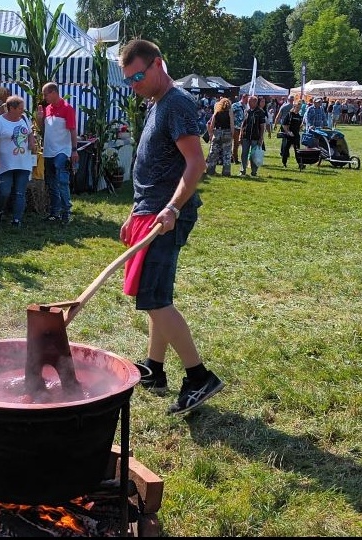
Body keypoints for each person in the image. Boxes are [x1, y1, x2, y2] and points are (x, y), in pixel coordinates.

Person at [117, 38, 223, 415]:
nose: (134, 84)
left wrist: (171, 209)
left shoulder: (176, 102)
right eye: (129, 79)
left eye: (139, 76)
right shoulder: (156, 103)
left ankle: (198, 377)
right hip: (151, 212)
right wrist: (136, 211)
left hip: (167, 215)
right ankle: (155, 368)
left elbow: (196, 163)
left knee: (155, 298)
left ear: (158, 64)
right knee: (155, 297)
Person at [0, 95, 37, 227]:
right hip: (5, 162)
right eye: (20, 108)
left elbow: (30, 133)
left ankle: (17, 220)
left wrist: (32, 142)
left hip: (23, 162)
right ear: (11, 108)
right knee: (4, 191)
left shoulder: (24, 118)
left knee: (20, 192)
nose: (23, 111)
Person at [38, 81, 78, 224]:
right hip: (49, 151)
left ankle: (66, 212)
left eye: (46, 94)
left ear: (54, 93)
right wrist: (39, 119)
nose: (44, 97)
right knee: (52, 183)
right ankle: (55, 212)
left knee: (61, 181)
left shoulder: (67, 108)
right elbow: (44, 131)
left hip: (62, 150)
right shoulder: (47, 109)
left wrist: (74, 150)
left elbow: (73, 130)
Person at [204, 97, 234, 177]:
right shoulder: (230, 112)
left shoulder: (217, 112)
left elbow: (211, 124)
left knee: (213, 153)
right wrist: (232, 134)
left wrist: (211, 134)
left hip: (217, 132)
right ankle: (226, 172)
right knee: (227, 154)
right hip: (227, 132)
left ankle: (210, 170)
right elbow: (231, 124)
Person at [238, 96, 266, 177]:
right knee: (244, 154)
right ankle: (242, 171)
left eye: (250, 102)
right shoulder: (247, 111)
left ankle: (254, 172)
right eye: (248, 102)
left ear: (255, 102)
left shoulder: (260, 112)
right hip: (245, 136)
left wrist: (261, 138)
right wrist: (240, 135)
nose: (249, 103)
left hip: (255, 137)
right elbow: (243, 124)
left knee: (253, 155)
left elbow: (262, 126)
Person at [279, 98, 303, 168]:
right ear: (294, 107)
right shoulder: (289, 115)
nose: (298, 109)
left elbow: (299, 126)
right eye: (297, 107)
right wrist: (288, 132)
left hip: (296, 135)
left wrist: (301, 128)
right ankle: (284, 163)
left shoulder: (299, 116)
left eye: (299, 107)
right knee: (286, 150)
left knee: (297, 150)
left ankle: (300, 164)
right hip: (289, 136)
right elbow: (284, 125)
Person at [230, 94, 246, 164]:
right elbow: (231, 115)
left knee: (243, 144)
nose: (247, 101)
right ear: (243, 98)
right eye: (247, 99)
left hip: (242, 128)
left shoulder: (245, 106)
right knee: (236, 144)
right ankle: (235, 159)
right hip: (236, 127)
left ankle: (241, 159)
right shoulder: (235, 105)